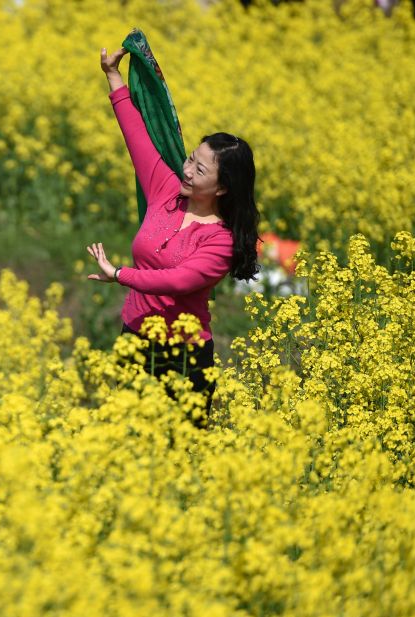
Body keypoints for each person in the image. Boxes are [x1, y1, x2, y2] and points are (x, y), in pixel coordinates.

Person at [86, 45, 261, 426]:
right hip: (133, 336)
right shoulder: (165, 191)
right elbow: (137, 138)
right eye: (189, 160)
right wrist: (113, 76)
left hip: (183, 357)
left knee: (177, 454)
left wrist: (119, 274)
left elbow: (178, 281)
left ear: (221, 189)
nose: (186, 171)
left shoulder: (220, 241)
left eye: (199, 170)